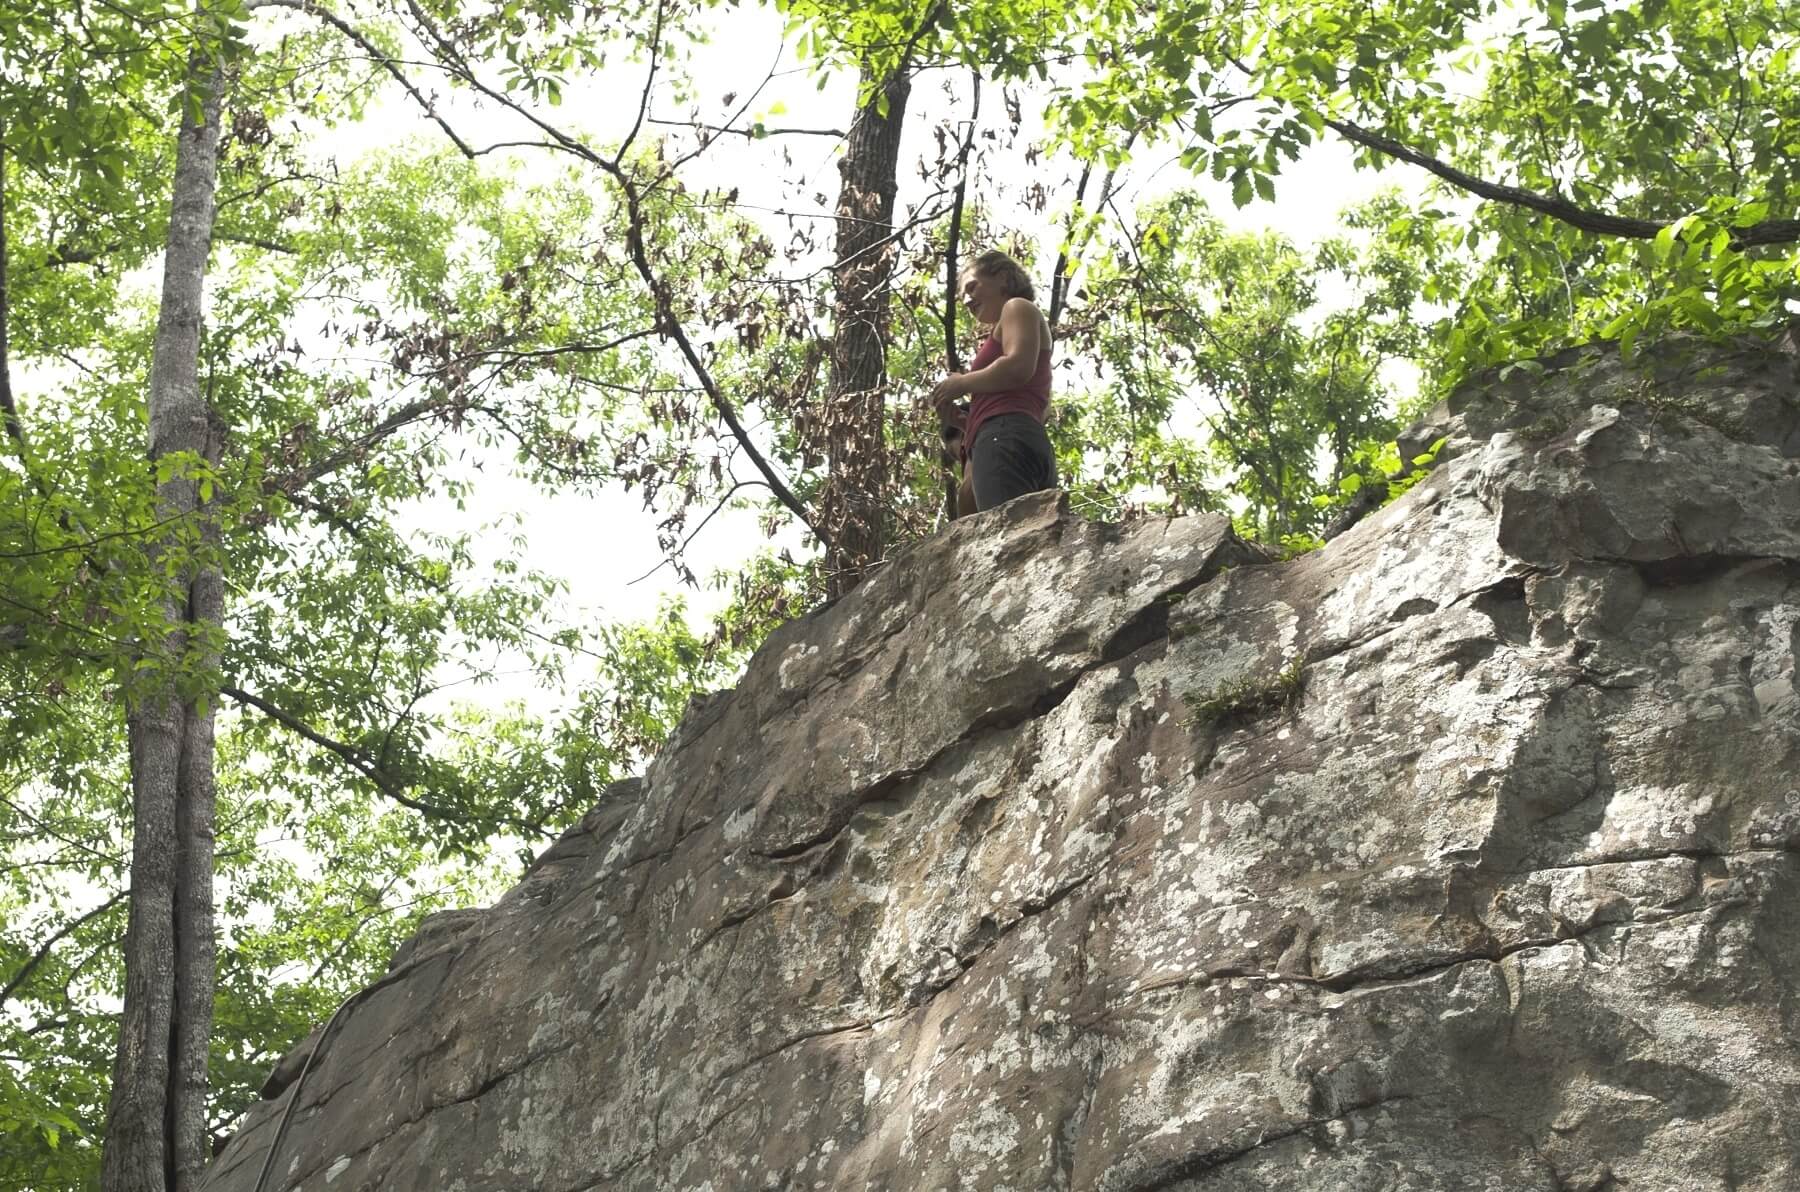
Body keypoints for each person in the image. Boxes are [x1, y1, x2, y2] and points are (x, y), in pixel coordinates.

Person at [926, 250, 1057, 513]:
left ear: (1003, 278)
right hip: (1019, 437)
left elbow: (1018, 367)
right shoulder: (1014, 323)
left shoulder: (1017, 307)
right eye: (962, 295)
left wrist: (961, 383)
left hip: (1004, 439)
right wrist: (963, 423)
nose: (966, 299)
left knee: (1008, 541)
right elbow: (1028, 404)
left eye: (972, 287)